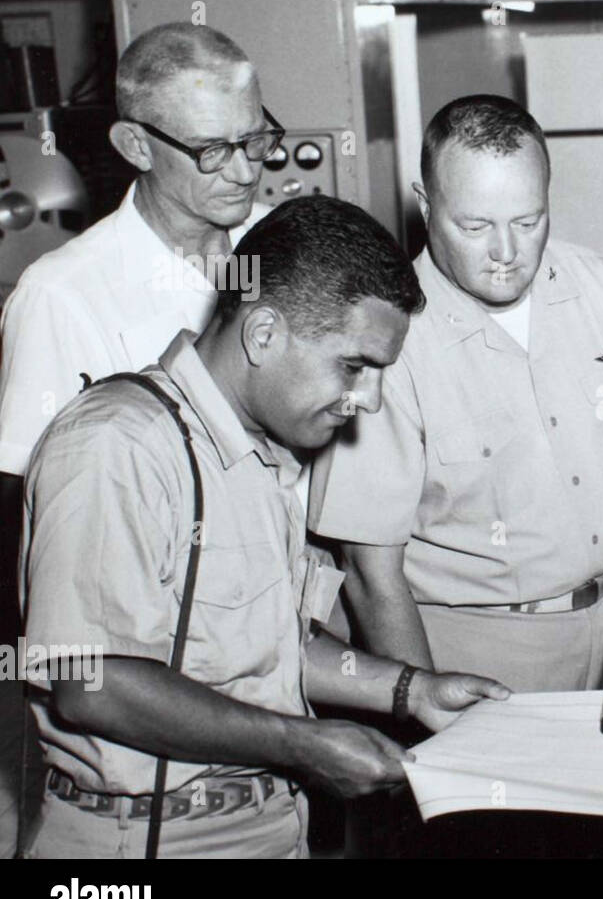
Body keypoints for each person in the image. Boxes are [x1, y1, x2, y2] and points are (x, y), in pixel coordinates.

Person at [20, 196, 508, 859]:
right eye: (354, 366)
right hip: (140, 841)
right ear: (264, 333)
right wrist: (301, 743)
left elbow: (273, 639)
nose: (368, 400)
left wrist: (410, 690)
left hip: (270, 824)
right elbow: (91, 682)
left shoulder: (262, 453)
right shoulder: (116, 441)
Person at [309, 95, 603, 693]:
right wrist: (425, 704)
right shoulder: (383, 339)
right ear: (425, 206)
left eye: (528, 222)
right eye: (474, 226)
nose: (506, 253)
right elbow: (372, 575)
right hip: (473, 654)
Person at [0, 21, 278, 634]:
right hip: (150, 632)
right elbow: (29, 513)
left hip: (287, 611)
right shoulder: (62, 296)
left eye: (255, 142)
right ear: (136, 146)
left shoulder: (283, 244)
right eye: (212, 151)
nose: (242, 173)